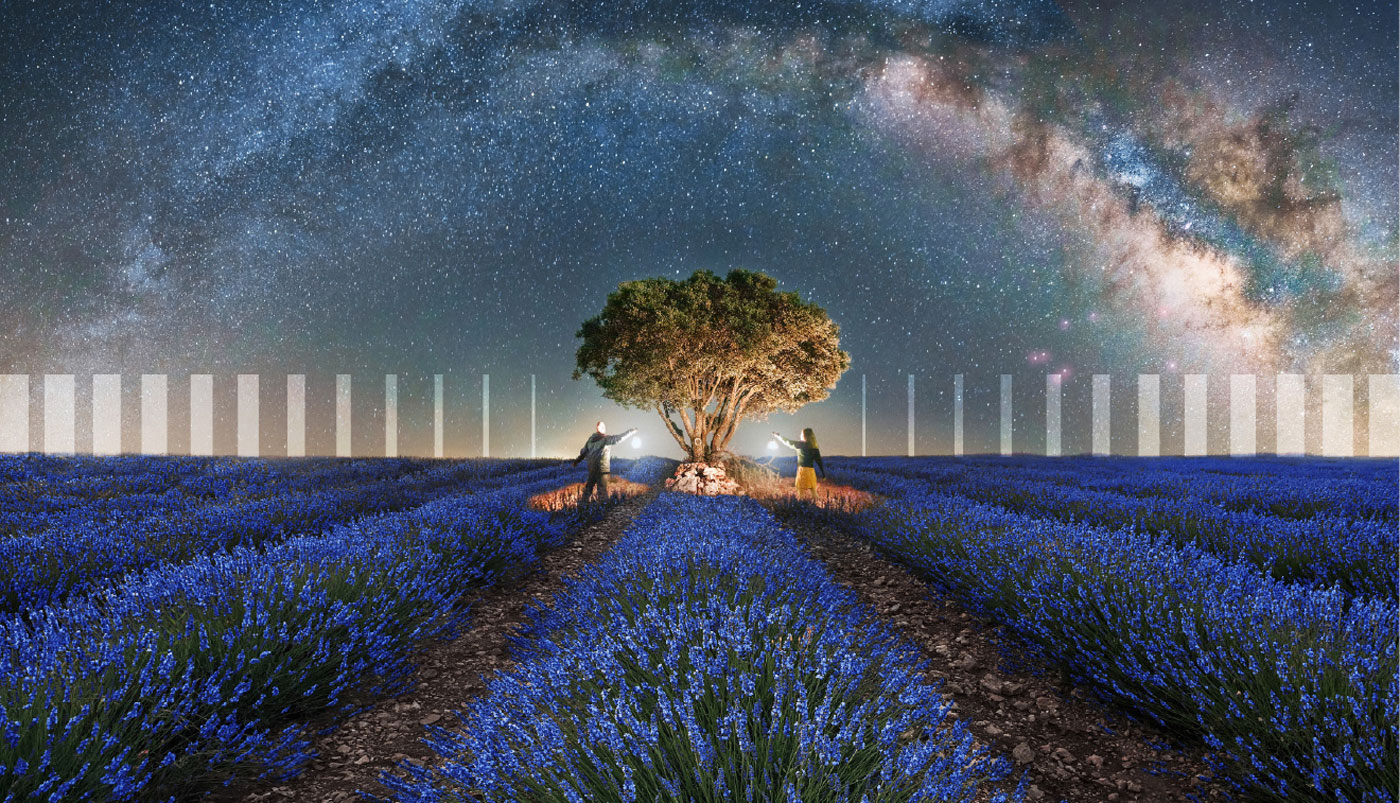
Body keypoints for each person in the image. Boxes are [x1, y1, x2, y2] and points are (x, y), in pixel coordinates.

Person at [572, 421, 638, 503]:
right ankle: (602, 511)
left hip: (595, 470)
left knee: (589, 490)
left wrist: (577, 461)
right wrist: (631, 431)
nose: (604, 427)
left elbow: (583, 452)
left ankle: (584, 509)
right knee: (597, 492)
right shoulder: (602, 439)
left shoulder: (591, 440)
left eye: (604, 426)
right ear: (597, 428)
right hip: (601, 470)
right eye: (602, 426)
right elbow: (618, 438)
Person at [772, 427, 826, 497]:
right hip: (811, 471)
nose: (800, 435)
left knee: (800, 490)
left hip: (802, 471)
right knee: (813, 490)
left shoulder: (801, 445)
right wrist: (823, 474)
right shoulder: (814, 447)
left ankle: (801, 505)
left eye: (801, 433)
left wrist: (778, 436)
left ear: (804, 435)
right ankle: (817, 505)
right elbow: (819, 461)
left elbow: (788, 442)